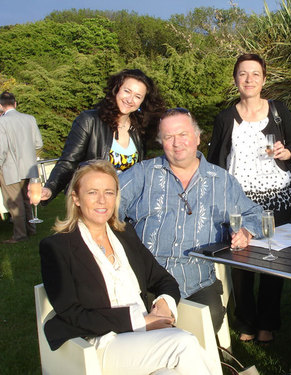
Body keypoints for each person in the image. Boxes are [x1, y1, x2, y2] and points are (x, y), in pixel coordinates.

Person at [39, 160, 219, 375]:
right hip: (101, 343)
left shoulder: (125, 235)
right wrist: (140, 322)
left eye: (109, 192)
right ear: (76, 198)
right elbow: (72, 313)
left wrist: (164, 305)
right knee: (183, 343)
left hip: (145, 341)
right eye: (92, 193)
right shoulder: (57, 247)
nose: (102, 201)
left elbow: (164, 280)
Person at [119, 107, 263, 334]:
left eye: (183, 134)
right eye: (168, 137)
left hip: (195, 280)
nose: (177, 143)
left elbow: (255, 214)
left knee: (207, 322)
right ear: (161, 142)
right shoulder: (142, 174)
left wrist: (246, 232)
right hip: (144, 281)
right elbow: (106, 206)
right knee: (138, 331)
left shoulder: (222, 181)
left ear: (197, 137)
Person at [207, 53, 291, 344]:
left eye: (255, 74)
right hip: (240, 201)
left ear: (264, 79)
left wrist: (288, 152)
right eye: (243, 74)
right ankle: (246, 320)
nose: (249, 79)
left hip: (277, 198)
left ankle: (267, 322)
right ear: (235, 79)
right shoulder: (225, 117)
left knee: (274, 262)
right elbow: (214, 160)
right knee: (242, 263)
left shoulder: (278, 110)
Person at [40, 69, 164, 204]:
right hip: (91, 205)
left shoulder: (139, 130)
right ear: (116, 89)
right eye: (127, 91)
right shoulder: (89, 121)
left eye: (137, 96)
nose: (130, 99)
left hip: (124, 208)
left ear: (142, 102)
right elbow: (68, 162)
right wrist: (50, 188)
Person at [0, 91, 43, 243]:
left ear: (0, 106)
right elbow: (39, 143)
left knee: (13, 201)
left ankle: (19, 234)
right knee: (26, 199)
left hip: (10, 168)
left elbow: (2, 148)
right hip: (28, 166)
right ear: (15, 103)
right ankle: (31, 229)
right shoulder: (29, 119)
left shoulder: (2, 122)